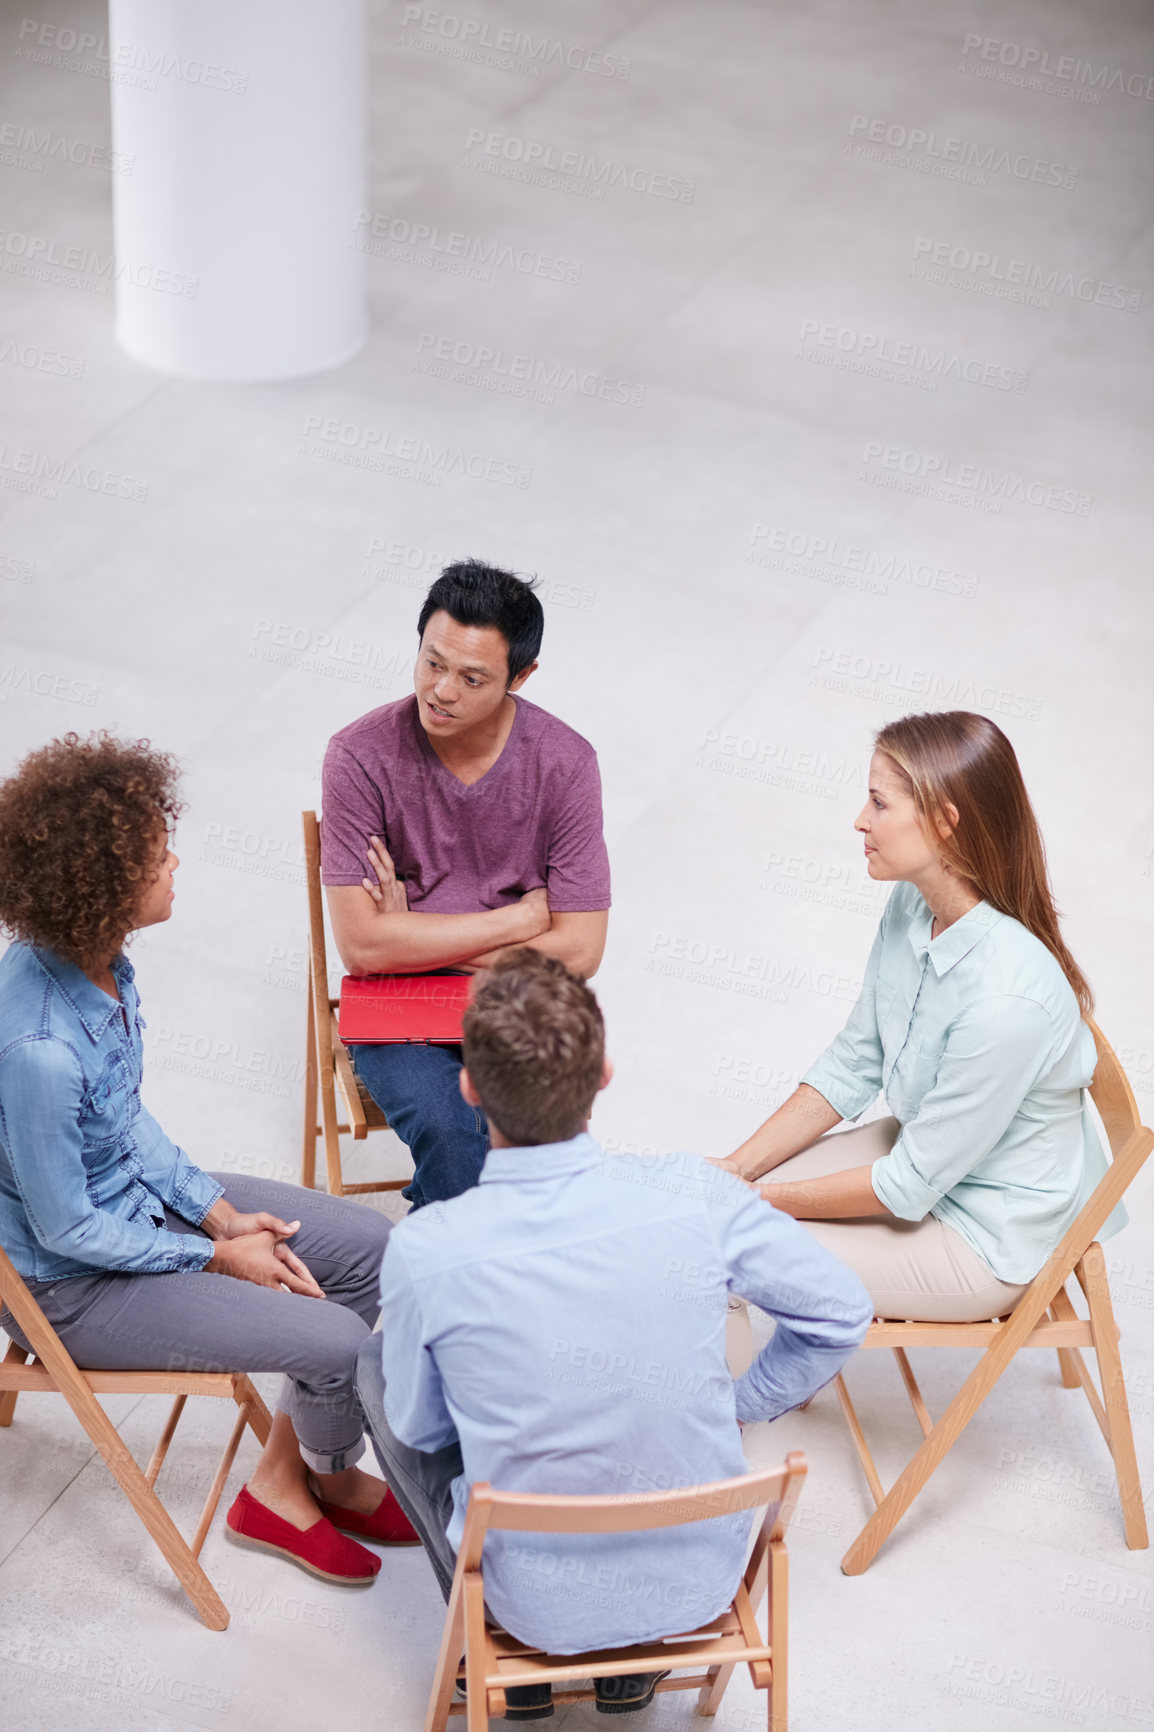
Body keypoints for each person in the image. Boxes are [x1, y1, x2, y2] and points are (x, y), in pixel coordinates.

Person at [355, 949, 871, 1720]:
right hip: (698, 1579)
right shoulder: (695, 1195)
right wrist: (741, 1402)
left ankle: (495, 1645)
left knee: (378, 1367)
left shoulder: (427, 1250)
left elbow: (423, 1429)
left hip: (530, 1602)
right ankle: (632, 1664)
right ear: (603, 1076)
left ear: (467, 1089)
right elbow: (840, 1312)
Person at [0, 732, 418, 1586]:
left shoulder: (99, 962)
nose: (175, 862)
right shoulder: (37, 1046)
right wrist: (216, 1254)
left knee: (372, 1252)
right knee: (340, 1343)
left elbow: (125, 1121)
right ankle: (316, 1482)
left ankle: (291, 1478)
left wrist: (219, 1211)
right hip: (72, 1284)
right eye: (157, 856)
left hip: (134, 1210)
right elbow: (66, 1225)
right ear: (105, 883)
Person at [721, 710, 1123, 1324]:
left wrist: (761, 1201)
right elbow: (857, 1060)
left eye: (879, 803)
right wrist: (736, 1169)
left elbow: (907, 1189)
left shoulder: (1006, 1003)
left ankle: (722, 1409)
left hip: (984, 1233)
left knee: (731, 1243)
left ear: (944, 823)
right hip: (929, 1150)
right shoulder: (913, 902)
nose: (860, 820)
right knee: (721, 1206)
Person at [320, 558, 611, 1210]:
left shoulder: (565, 765)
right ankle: (474, 1292)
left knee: (550, 1147)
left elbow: (582, 953)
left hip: (516, 1001)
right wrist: (518, 920)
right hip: (398, 1006)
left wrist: (413, 933)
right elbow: (365, 949)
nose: (441, 690)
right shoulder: (359, 756)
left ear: (520, 677)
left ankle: (449, 1252)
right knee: (454, 1132)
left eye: (472, 677)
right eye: (431, 662)